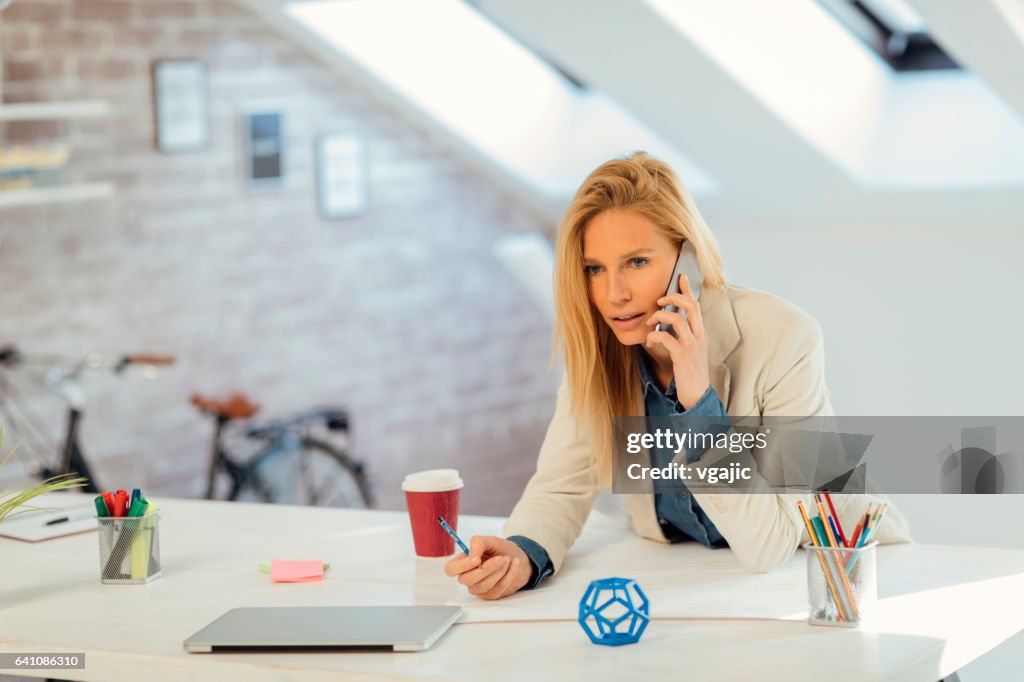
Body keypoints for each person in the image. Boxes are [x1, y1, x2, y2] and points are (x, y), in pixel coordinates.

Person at [444, 152, 911, 600]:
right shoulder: (604, 350)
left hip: (835, 578)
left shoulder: (785, 338)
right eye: (594, 269)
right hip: (697, 583)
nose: (614, 294)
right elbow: (563, 484)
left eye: (637, 262)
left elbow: (769, 546)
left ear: (686, 260)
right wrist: (523, 553)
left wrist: (697, 397)